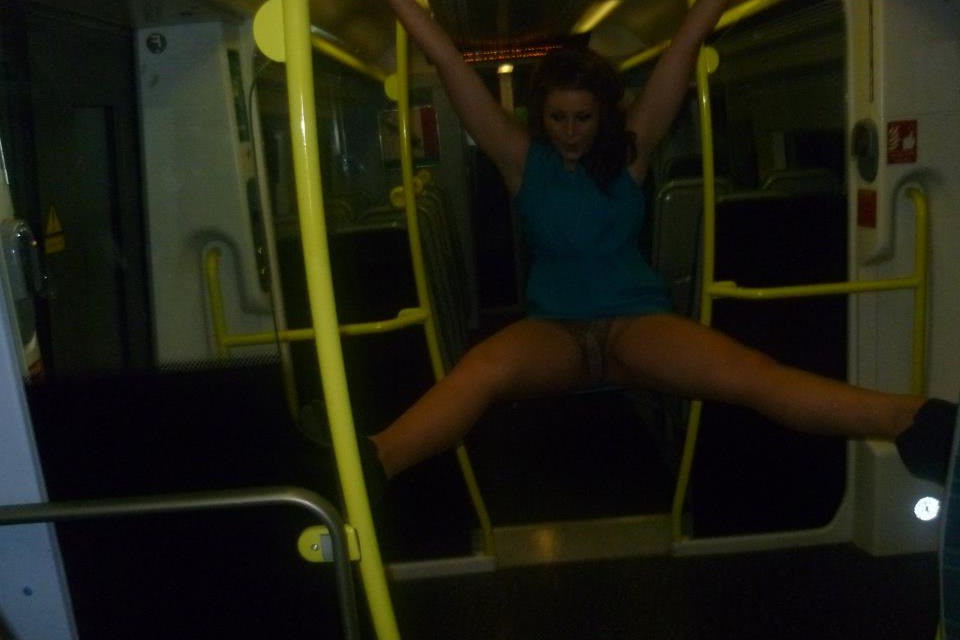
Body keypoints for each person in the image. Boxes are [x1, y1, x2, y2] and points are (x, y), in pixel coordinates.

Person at [372, 0, 957, 487]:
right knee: (477, 372)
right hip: (554, 332)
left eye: (582, 118)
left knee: (751, 373)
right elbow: (446, 59)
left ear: (603, 116)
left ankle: (913, 421)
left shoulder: (632, 152)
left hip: (636, 324)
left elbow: (686, 43)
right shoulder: (519, 160)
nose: (570, 132)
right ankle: (371, 464)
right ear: (539, 115)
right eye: (557, 117)